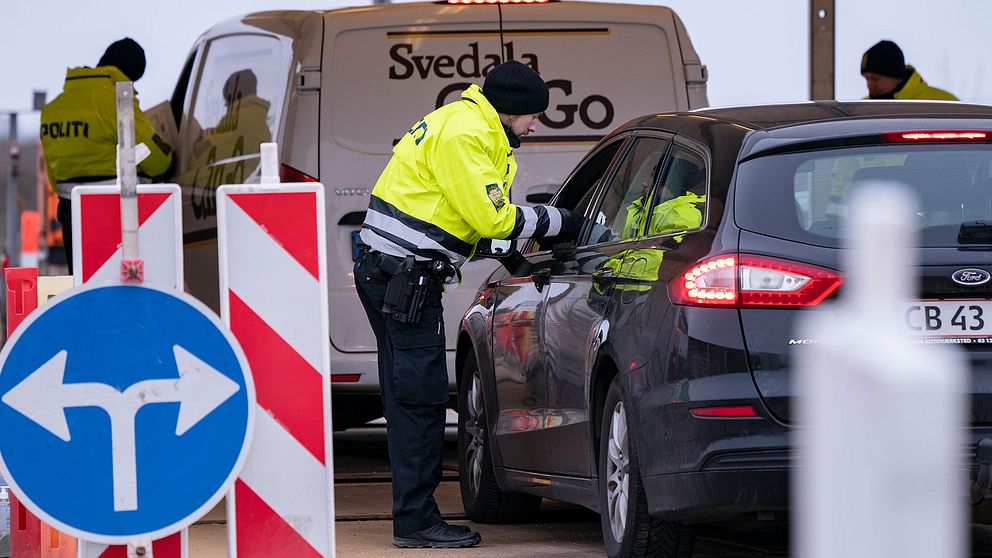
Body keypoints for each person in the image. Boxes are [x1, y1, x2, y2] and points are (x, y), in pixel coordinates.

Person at [354, 60, 585, 549]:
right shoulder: (466, 134)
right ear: (511, 110)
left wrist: (516, 259)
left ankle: (412, 515)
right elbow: (491, 215)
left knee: (407, 395)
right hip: (405, 278)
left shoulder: (463, 123)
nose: (536, 124)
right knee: (421, 399)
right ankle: (415, 522)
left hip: (391, 273)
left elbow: (452, 218)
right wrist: (556, 221)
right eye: (532, 115)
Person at [40, 37, 174, 273]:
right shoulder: (117, 102)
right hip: (117, 218)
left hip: (72, 217)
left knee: (85, 289)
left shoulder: (51, 110)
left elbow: (54, 178)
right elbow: (160, 161)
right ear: (131, 75)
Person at [860, 40, 958, 100]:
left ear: (896, 76)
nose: (870, 85)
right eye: (867, 79)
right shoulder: (859, 111)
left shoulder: (944, 104)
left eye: (875, 78)